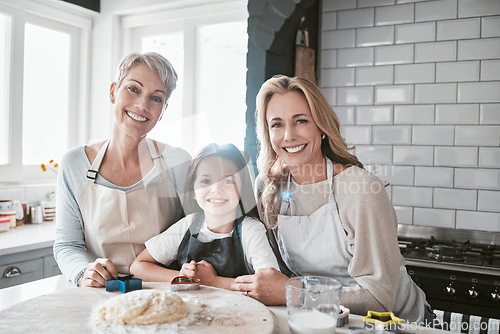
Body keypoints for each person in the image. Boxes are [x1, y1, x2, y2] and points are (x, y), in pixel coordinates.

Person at [231, 75, 430, 324]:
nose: (289, 135)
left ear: (322, 127)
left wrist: (292, 293)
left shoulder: (361, 190)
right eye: (277, 124)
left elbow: (379, 300)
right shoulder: (269, 187)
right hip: (324, 319)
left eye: (301, 121)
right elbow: (279, 275)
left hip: (397, 324)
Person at [53, 52, 191, 288]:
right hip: (98, 292)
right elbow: (67, 244)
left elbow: (199, 235)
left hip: (165, 293)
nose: (142, 105)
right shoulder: (74, 163)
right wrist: (82, 273)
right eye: (133, 89)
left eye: (156, 99)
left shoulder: (178, 162)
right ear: (112, 91)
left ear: (164, 109)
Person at [130, 143, 280, 290]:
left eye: (228, 181)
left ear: (242, 189)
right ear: (193, 191)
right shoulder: (188, 224)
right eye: (206, 181)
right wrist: (184, 278)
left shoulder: (250, 230)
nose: (216, 189)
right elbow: (138, 267)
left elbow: (270, 284)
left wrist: (213, 281)